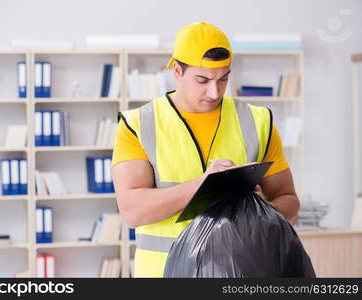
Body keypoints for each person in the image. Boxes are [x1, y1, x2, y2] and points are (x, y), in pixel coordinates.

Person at [111, 21, 300, 278]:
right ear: (177, 71)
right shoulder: (138, 125)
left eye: (223, 79)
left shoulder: (258, 122)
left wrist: (256, 210)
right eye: (203, 79)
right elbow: (132, 211)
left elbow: (289, 200)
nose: (214, 91)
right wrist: (203, 185)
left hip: (241, 273)